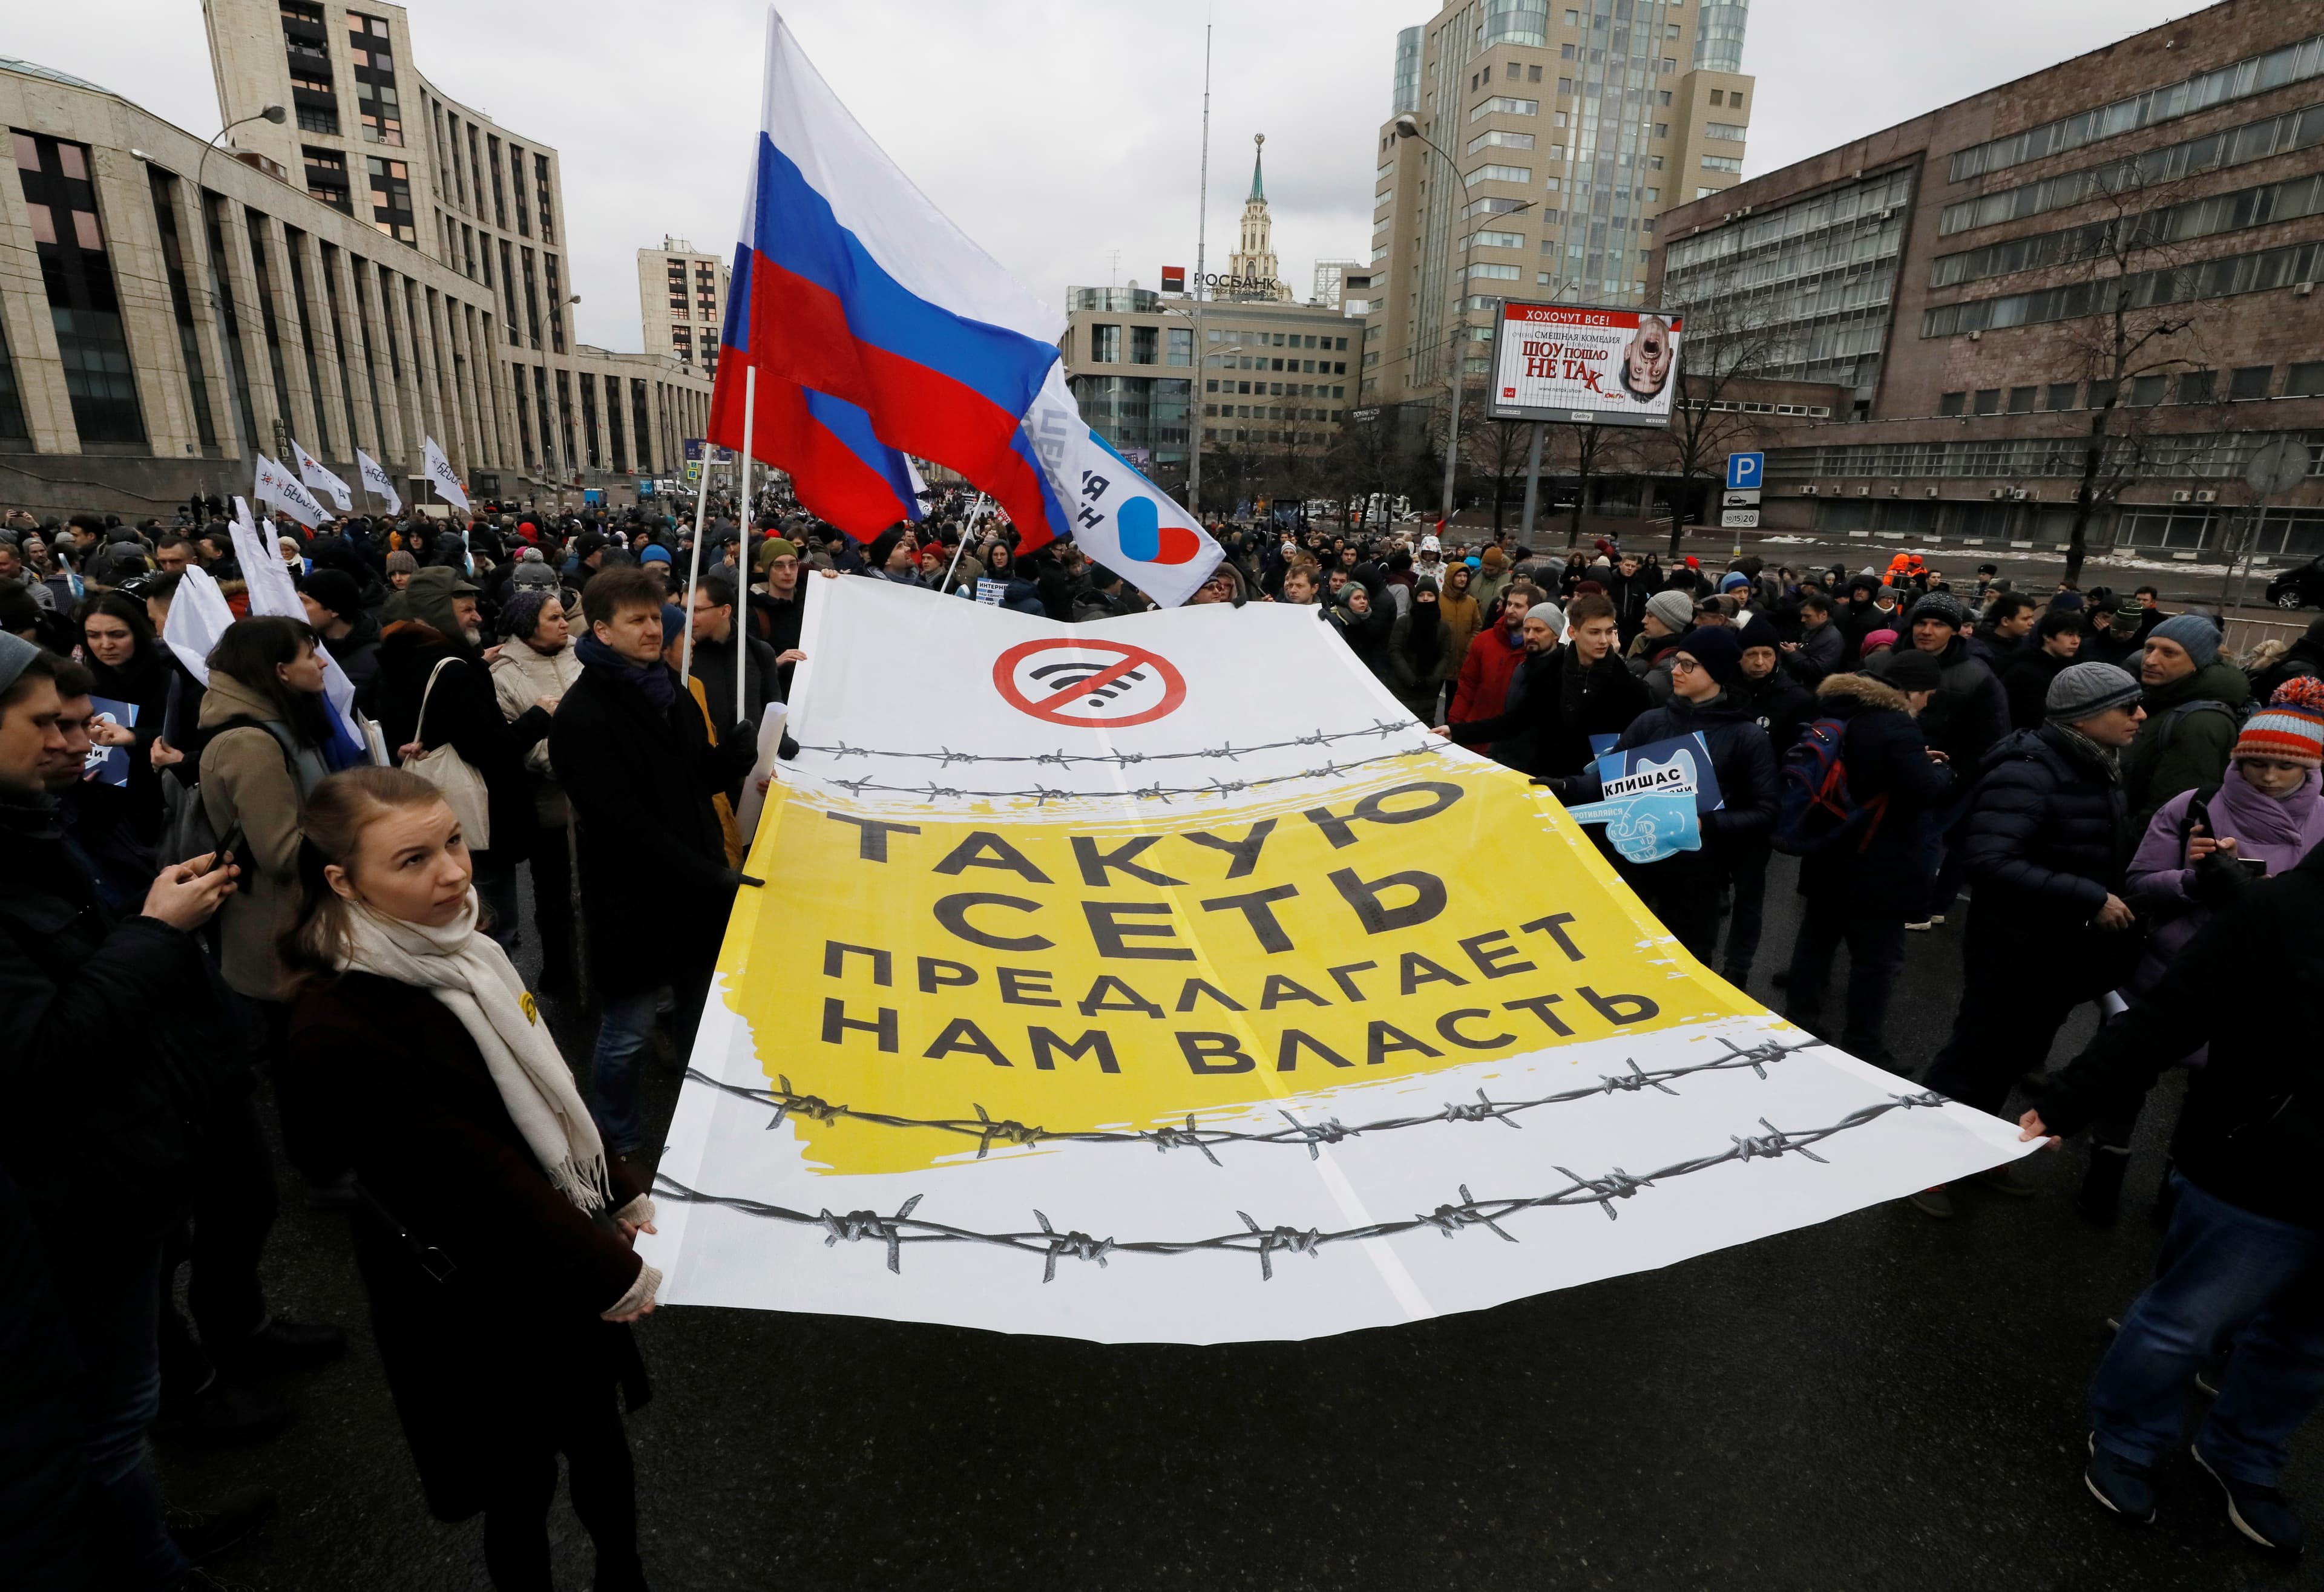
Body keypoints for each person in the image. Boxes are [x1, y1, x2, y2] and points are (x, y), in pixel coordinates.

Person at [280, 768, 656, 1590]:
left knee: (600, 1442)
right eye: (413, 859)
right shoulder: (337, 1023)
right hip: (472, 1298)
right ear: (343, 881)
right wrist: (609, 1267)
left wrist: (615, 1184)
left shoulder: (469, 950)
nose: (454, 872)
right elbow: (470, 1173)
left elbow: (550, 1089)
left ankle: (622, 1573)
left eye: (453, 840)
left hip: (552, 1250)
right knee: (517, 1481)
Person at [0, 634, 274, 1590]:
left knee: (121, 1399)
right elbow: (41, 1052)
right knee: (101, 1413)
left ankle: (142, 1519)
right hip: (69, 1189)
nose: (72, 741)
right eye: (45, 724)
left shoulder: (32, 822)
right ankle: (148, 1560)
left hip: (111, 1163)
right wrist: (156, 931)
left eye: (76, 722)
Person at [2018, 829, 2324, 1551]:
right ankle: (2128, 1436)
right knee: (2185, 1323)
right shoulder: (2280, 909)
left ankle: (2241, 1453)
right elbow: (2167, 1017)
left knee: (2305, 1346)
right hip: (2258, 1169)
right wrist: (2066, 1101)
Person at [2079, 678, 2324, 1223]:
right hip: (2168, 967)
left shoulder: (2323, 820)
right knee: (2127, 1075)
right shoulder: (2195, 803)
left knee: (2214, 1095)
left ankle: (2177, 1188)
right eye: (2256, 762)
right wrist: (2193, 880)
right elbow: (2141, 881)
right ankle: (2104, 1171)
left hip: (2260, 983)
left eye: (2285, 766)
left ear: (2310, 768)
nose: (2269, 775)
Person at [1912, 663, 2148, 1217]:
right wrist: (2089, 896)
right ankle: (1925, 1162)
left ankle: (1976, 1150)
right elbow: (1989, 860)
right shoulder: (2030, 770)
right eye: (2128, 706)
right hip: (2013, 946)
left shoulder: (2092, 761)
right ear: (2085, 717)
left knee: (2012, 1057)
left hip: (2059, 946)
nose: (2141, 715)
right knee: (1976, 1054)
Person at [551, 569, 758, 1162]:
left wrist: (736, 756)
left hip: (695, 892)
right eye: (637, 620)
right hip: (635, 902)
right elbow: (624, 824)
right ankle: (613, 1142)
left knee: (699, 1019)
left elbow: (693, 776)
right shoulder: (582, 716)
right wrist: (707, 873)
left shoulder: (666, 687)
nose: (653, 629)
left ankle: (697, 1128)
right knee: (629, 1032)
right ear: (602, 630)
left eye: (655, 617)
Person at [1548, 627, 1780, 963]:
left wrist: (1703, 823)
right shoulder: (1651, 722)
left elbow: (1766, 811)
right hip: (1635, 862)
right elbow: (1607, 781)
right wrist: (1563, 786)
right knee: (1619, 955)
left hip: (1697, 876)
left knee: (1683, 963)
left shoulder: (1746, 737)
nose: (1676, 671)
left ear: (1716, 672)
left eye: (1688, 665)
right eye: (1676, 662)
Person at [1781, 649, 1954, 1063]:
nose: (1927, 701)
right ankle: (1863, 1045)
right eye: (1927, 693)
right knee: (1875, 962)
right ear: (1911, 691)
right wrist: (1940, 772)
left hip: (1827, 848)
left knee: (1815, 943)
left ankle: (1800, 1021)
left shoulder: (1843, 710)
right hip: (1878, 862)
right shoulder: (1897, 725)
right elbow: (1923, 791)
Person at [373, 567, 551, 954]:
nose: (478, 617)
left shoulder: (404, 655)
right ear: (438, 611)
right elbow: (491, 747)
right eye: (467, 610)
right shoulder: (454, 671)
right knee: (492, 927)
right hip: (480, 822)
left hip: (434, 812)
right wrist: (540, 715)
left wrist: (475, 662)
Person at [1439, 593, 1646, 781]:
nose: (1604, 641)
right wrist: (1455, 731)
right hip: (1547, 782)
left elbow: (1639, 743)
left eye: (1609, 632)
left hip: (1596, 792)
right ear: (1573, 632)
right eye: (1594, 632)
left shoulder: (1629, 688)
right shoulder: (1549, 672)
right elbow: (1513, 722)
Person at [489, 589, 585, 989]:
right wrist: (579, 763)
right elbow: (525, 744)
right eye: (554, 618)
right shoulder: (503, 675)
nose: (565, 624)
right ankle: (560, 970)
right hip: (549, 807)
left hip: (599, 802)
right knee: (554, 893)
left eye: (564, 616)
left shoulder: (584, 656)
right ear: (528, 627)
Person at [2121, 612, 2248, 834]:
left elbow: (2173, 812)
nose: (2150, 660)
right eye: (2149, 648)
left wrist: (2126, 845)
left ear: (2197, 663)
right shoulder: (2163, 700)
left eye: (2169, 653)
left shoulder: (2200, 723)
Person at [1446, 584, 1540, 755]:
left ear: (1533, 611)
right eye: (1509, 604)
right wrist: (1455, 723)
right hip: (1475, 735)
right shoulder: (1484, 640)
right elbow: (1467, 686)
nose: (1510, 610)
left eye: (1518, 606)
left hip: (1513, 745)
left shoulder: (1539, 650)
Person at [685, 571, 778, 738]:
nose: (687, 618)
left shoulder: (758, 651)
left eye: (696, 610)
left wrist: (781, 741)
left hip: (751, 751)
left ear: (724, 611)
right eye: (684, 609)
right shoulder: (682, 655)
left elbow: (773, 705)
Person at [1385, 577, 1455, 721]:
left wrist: (1433, 679)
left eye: (1430, 595)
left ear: (1436, 598)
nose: (1425, 599)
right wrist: (1410, 679)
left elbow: (1445, 655)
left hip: (1428, 692)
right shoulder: (1403, 622)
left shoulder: (1443, 628)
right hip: (1402, 688)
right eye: (1421, 595)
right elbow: (1395, 650)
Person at [2003, 609, 2086, 730]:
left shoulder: (2073, 667)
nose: (2076, 641)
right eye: (2069, 635)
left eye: (2079, 635)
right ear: (2047, 637)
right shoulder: (2025, 671)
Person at [1781, 592, 1843, 685]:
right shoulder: (1815, 630)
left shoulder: (1832, 638)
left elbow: (1818, 670)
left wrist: (1793, 653)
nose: (1803, 620)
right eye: (1803, 616)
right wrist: (1798, 649)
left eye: (1807, 616)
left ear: (1823, 615)